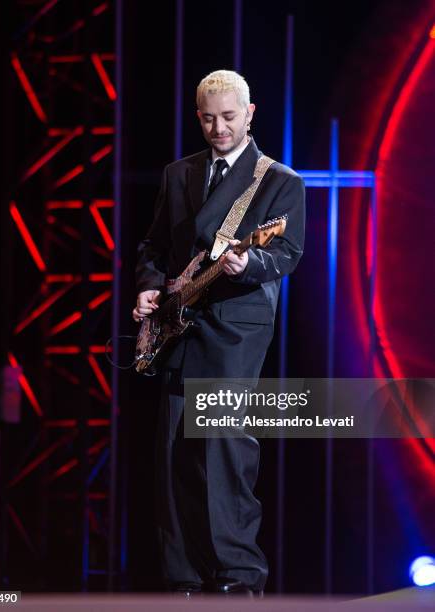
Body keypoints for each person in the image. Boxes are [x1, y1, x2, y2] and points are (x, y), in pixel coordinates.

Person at [133, 70, 305, 596]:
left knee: (223, 450)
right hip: (177, 327)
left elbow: (287, 253)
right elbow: (155, 247)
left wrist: (247, 263)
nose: (218, 128)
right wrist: (146, 286)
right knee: (171, 455)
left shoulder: (279, 181)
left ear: (250, 114)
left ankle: (237, 578)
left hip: (234, 330)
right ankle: (181, 575)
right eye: (208, 118)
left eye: (229, 117)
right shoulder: (177, 173)